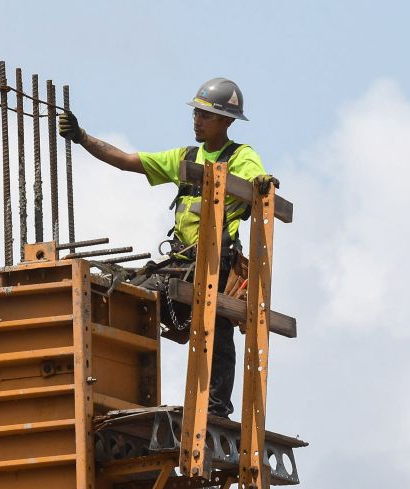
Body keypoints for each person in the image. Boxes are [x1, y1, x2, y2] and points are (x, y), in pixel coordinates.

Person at [58, 78, 268, 418]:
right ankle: (111, 388)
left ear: (226, 122)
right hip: (181, 264)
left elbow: (260, 181)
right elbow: (126, 160)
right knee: (131, 298)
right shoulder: (185, 157)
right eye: (196, 113)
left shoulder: (241, 157)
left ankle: (215, 410)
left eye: (206, 115)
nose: (197, 120)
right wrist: (82, 138)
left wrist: (261, 184)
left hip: (218, 265)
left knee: (216, 325)